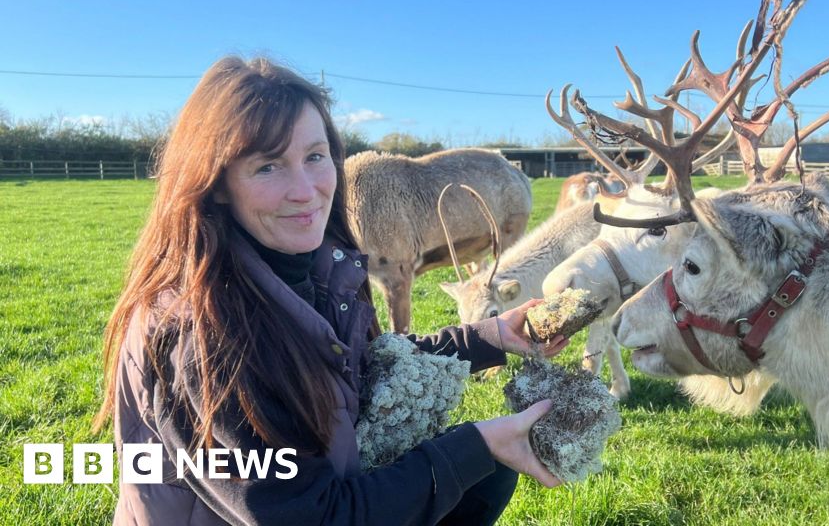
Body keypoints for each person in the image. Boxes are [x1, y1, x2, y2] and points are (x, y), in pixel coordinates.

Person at [93, 56, 570, 525]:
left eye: (315, 157)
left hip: (320, 494)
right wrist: (476, 445)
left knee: (483, 475)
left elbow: (361, 363)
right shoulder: (205, 335)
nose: (305, 190)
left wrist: (489, 337)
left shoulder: (311, 270)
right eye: (268, 166)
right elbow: (314, 516)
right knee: (477, 461)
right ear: (216, 183)